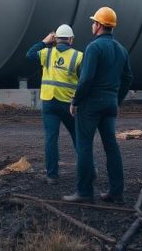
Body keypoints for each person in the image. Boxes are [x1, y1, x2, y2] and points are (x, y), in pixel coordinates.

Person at [62, 6, 133, 204]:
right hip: (110, 104)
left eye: (94, 22)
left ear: (100, 25)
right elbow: (128, 78)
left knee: (84, 146)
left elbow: (86, 79)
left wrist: (76, 101)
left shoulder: (94, 48)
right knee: (111, 146)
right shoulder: (121, 49)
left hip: (91, 104)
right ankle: (116, 192)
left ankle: (84, 192)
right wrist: (117, 100)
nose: (92, 25)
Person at [25, 24, 83, 185]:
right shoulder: (79, 56)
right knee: (78, 137)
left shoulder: (47, 53)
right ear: (71, 39)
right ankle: (88, 169)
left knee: (51, 139)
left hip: (49, 103)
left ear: (56, 39)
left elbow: (29, 54)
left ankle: (52, 175)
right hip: (69, 104)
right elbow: (85, 80)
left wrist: (45, 41)